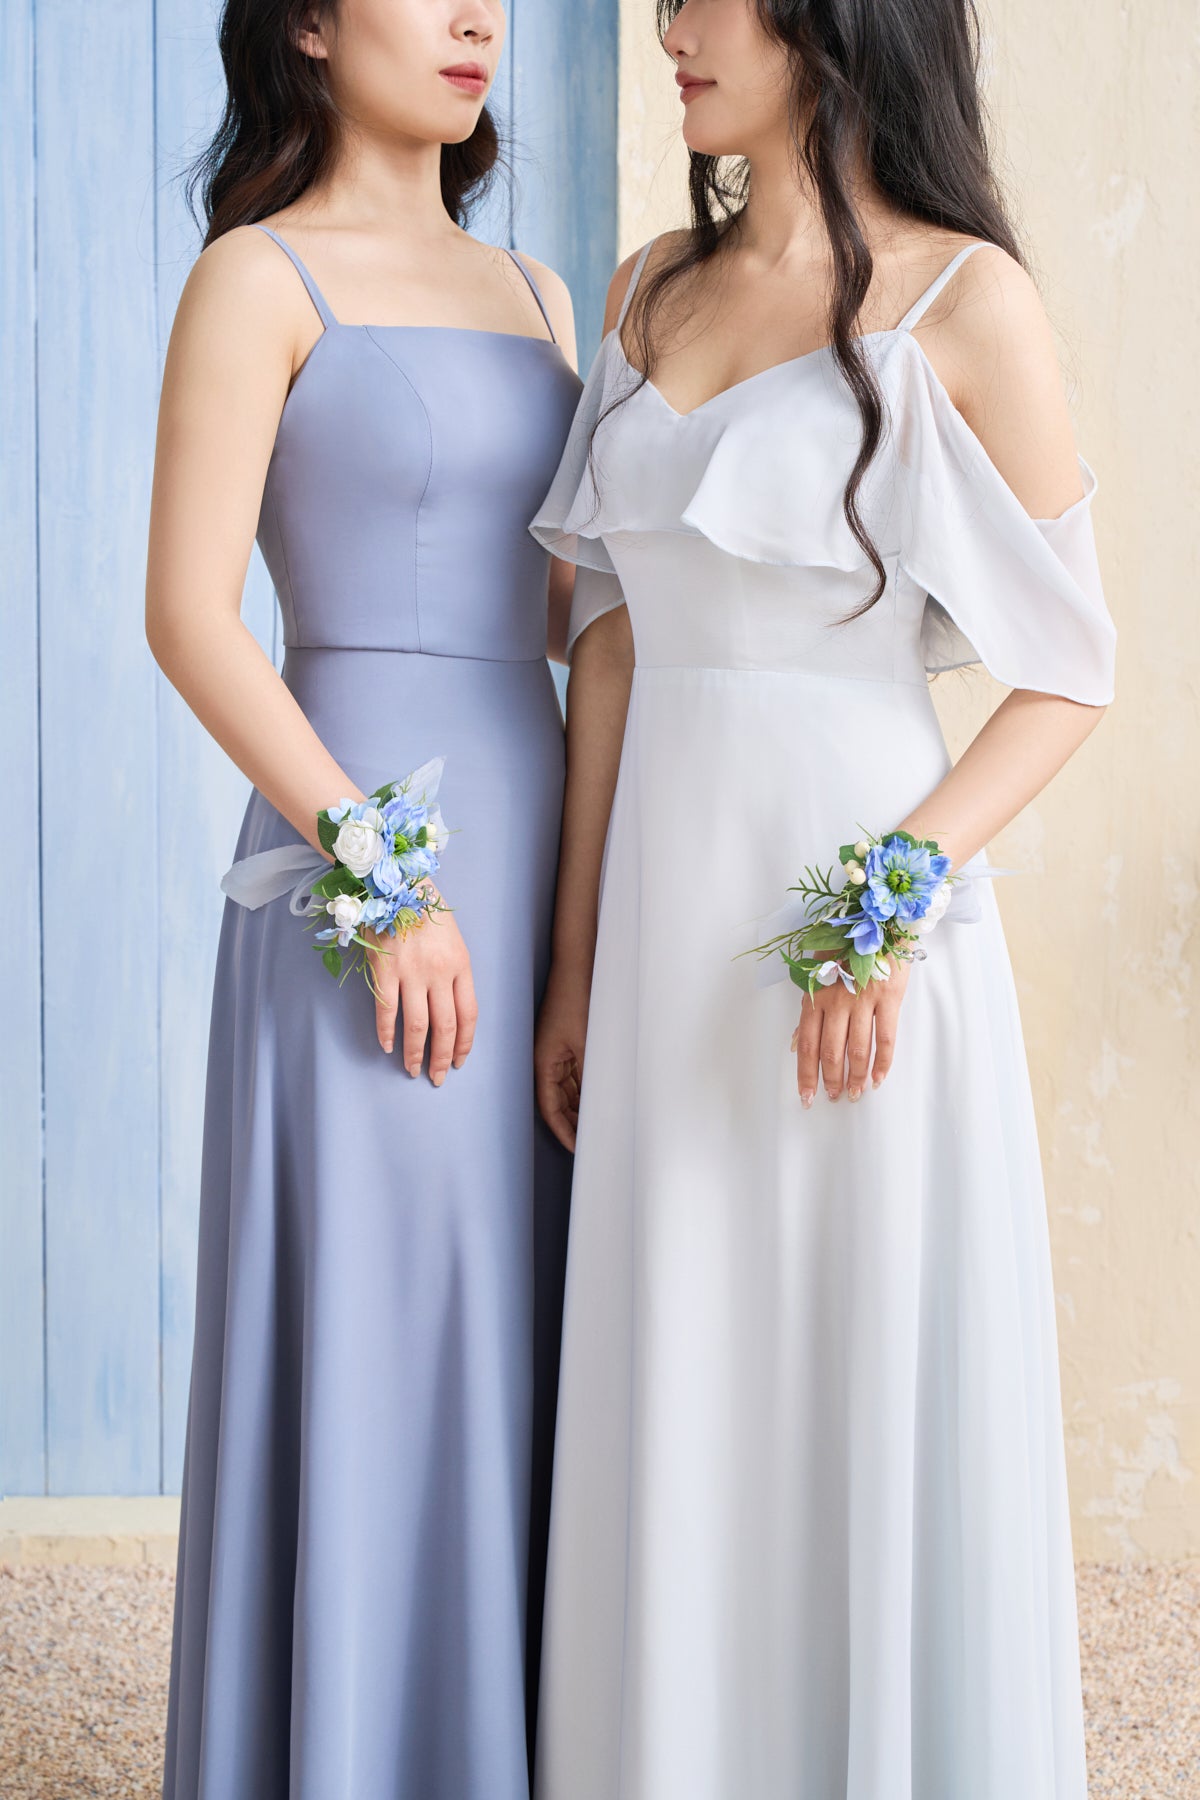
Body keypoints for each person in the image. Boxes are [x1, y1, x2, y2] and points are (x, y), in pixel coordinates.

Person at [529, 0, 1116, 1794]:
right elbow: (610, 649)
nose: (669, 29)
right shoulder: (645, 290)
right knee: (677, 1363)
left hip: (854, 914)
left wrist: (890, 903)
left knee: (847, 1356)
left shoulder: (965, 301)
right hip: (660, 914)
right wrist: (573, 969)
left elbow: (1070, 671)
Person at [144, 2, 580, 1794]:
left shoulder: (550, 299)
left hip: (545, 826)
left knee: (534, 1319)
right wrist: (388, 882)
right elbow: (187, 617)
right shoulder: (256, 277)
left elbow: (576, 624)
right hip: (359, 861)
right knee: (384, 1323)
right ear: (311, 26)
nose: (479, 18)